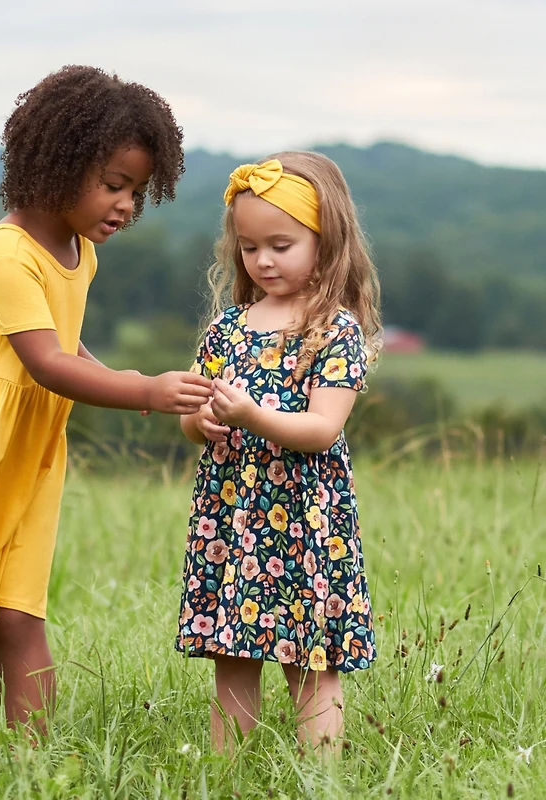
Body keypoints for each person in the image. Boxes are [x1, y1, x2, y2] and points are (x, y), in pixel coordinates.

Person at [0, 65, 212, 739]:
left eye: (137, 192)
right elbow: (46, 363)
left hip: (21, 454)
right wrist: (143, 388)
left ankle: (40, 769)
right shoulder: (5, 257)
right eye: (113, 185)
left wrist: (115, 377)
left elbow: (65, 343)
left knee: (18, 616)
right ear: (58, 165)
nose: (126, 206)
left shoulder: (79, 249)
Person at [176, 152, 382, 755]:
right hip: (233, 521)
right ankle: (225, 772)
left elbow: (323, 428)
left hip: (304, 524)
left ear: (326, 241)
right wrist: (200, 421)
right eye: (248, 247)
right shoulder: (228, 328)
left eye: (281, 245)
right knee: (232, 655)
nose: (262, 260)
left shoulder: (332, 329)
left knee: (312, 660)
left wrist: (251, 416)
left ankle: (321, 775)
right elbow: (194, 412)